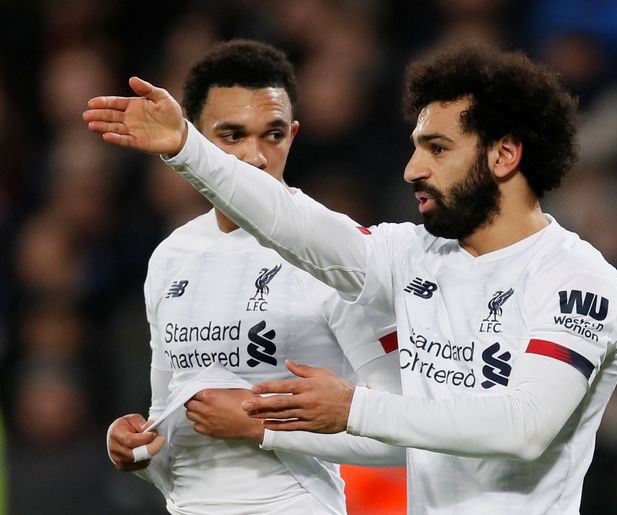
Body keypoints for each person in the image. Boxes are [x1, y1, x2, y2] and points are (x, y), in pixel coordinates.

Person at [84, 44, 617, 514]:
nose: (412, 169)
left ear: (505, 154)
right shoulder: (412, 256)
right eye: (415, 147)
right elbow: (292, 222)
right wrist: (186, 149)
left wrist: (351, 409)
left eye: (437, 148)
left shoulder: (577, 280)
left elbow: (524, 428)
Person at [99, 39, 403, 515]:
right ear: (194, 136)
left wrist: (261, 428)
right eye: (232, 135)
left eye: (274, 135)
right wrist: (133, 446)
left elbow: (405, 437)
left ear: (294, 136)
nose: (256, 157)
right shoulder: (172, 255)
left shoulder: (335, 254)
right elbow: (164, 417)